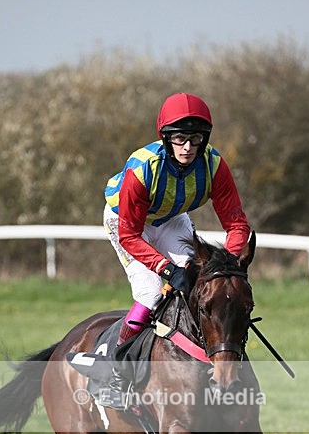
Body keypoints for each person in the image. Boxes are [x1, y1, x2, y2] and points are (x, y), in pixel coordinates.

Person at [101, 92, 251, 407]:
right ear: (167, 139)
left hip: (170, 218)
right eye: (180, 139)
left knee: (203, 285)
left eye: (195, 139)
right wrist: (168, 270)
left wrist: (229, 265)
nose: (187, 147)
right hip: (127, 224)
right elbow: (130, 234)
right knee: (152, 292)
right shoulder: (143, 168)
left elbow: (237, 225)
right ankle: (116, 372)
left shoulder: (214, 165)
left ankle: (206, 357)